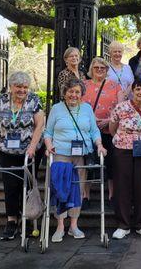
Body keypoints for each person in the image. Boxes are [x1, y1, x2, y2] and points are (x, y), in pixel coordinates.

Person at [0, 71, 45, 241]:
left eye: (25, 87)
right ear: (11, 87)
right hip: (6, 149)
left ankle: (27, 218)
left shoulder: (34, 100)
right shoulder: (1, 101)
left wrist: (33, 147)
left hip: (30, 149)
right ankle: (12, 220)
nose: (22, 90)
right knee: (10, 184)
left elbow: (39, 125)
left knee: (26, 183)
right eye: (18, 87)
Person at [44, 78, 107, 243]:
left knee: (77, 189)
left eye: (77, 92)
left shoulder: (86, 109)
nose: (73, 95)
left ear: (82, 94)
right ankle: (60, 226)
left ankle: (73, 225)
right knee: (60, 188)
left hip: (81, 154)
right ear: (65, 93)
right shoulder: (56, 109)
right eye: (70, 91)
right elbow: (48, 132)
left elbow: (94, 131)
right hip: (60, 153)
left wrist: (99, 145)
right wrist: (49, 146)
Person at [109, 79, 141, 239]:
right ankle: (123, 224)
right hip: (123, 150)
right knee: (122, 185)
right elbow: (112, 127)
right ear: (132, 91)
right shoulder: (121, 107)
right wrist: (121, 138)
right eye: (138, 89)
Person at [82, 57, 124, 209]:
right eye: (96, 68)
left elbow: (121, 107)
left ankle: (112, 195)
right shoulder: (84, 85)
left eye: (102, 68)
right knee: (87, 161)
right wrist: (92, 121)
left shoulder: (115, 86)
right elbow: (78, 105)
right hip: (88, 130)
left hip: (110, 129)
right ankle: (85, 195)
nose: (99, 70)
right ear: (91, 70)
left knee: (112, 162)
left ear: (107, 70)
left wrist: (109, 120)